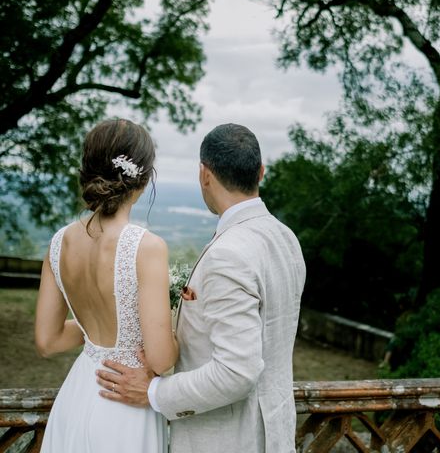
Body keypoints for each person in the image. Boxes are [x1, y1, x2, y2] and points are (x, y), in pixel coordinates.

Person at [96, 123, 306, 452]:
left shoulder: (229, 254)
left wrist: (153, 392)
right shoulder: (286, 238)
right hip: (274, 432)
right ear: (260, 172)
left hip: (226, 438)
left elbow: (237, 371)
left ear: (204, 174)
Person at [35, 119, 178, 452]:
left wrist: (96, 329)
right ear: (143, 180)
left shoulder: (59, 243)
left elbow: (47, 341)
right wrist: (174, 324)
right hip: (123, 404)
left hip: (77, 395)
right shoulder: (147, 247)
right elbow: (160, 360)